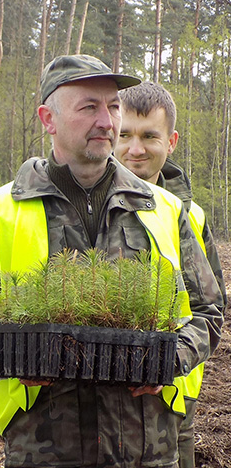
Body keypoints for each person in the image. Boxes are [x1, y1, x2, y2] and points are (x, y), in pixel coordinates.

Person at [0, 54, 224, 468]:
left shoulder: (165, 209)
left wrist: (171, 358)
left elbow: (208, 311)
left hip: (148, 450)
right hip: (44, 451)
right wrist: (17, 353)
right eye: (89, 107)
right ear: (48, 118)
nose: (107, 121)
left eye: (113, 106)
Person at [117, 81, 226, 468]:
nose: (135, 149)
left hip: (175, 399)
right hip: (102, 404)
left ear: (172, 140)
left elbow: (212, 310)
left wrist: (170, 362)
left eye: (149, 136)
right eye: (124, 134)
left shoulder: (190, 216)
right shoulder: (85, 209)